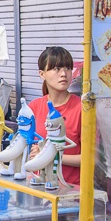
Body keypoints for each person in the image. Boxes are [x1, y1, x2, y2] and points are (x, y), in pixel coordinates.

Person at [27, 46, 82, 187]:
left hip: (71, 192)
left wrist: (51, 156)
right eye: (56, 69)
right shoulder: (33, 107)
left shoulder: (81, 108)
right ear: (42, 74)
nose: (64, 74)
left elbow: (90, 159)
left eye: (68, 68)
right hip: (38, 187)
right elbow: (28, 148)